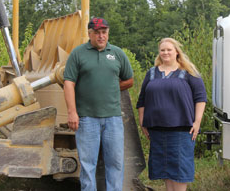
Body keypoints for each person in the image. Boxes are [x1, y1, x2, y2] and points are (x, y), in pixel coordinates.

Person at [63, 17, 133, 191]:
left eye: (104, 32)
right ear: (89, 34)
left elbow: (129, 80)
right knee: (87, 165)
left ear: (108, 33)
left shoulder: (117, 53)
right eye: (97, 33)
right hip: (87, 119)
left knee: (115, 163)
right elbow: (68, 84)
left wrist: (111, 86)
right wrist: (72, 112)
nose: (101, 36)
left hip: (113, 119)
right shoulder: (78, 54)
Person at [136, 38, 207, 191]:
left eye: (169, 49)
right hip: (157, 131)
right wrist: (143, 122)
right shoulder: (152, 73)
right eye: (162, 50)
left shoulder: (188, 72)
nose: (166, 52)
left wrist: (197, 122)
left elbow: (200, 97)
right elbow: (141, 100)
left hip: (181, 130)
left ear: (176, 52)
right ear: (159, 53)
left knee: (180, 171)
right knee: (166, 170)